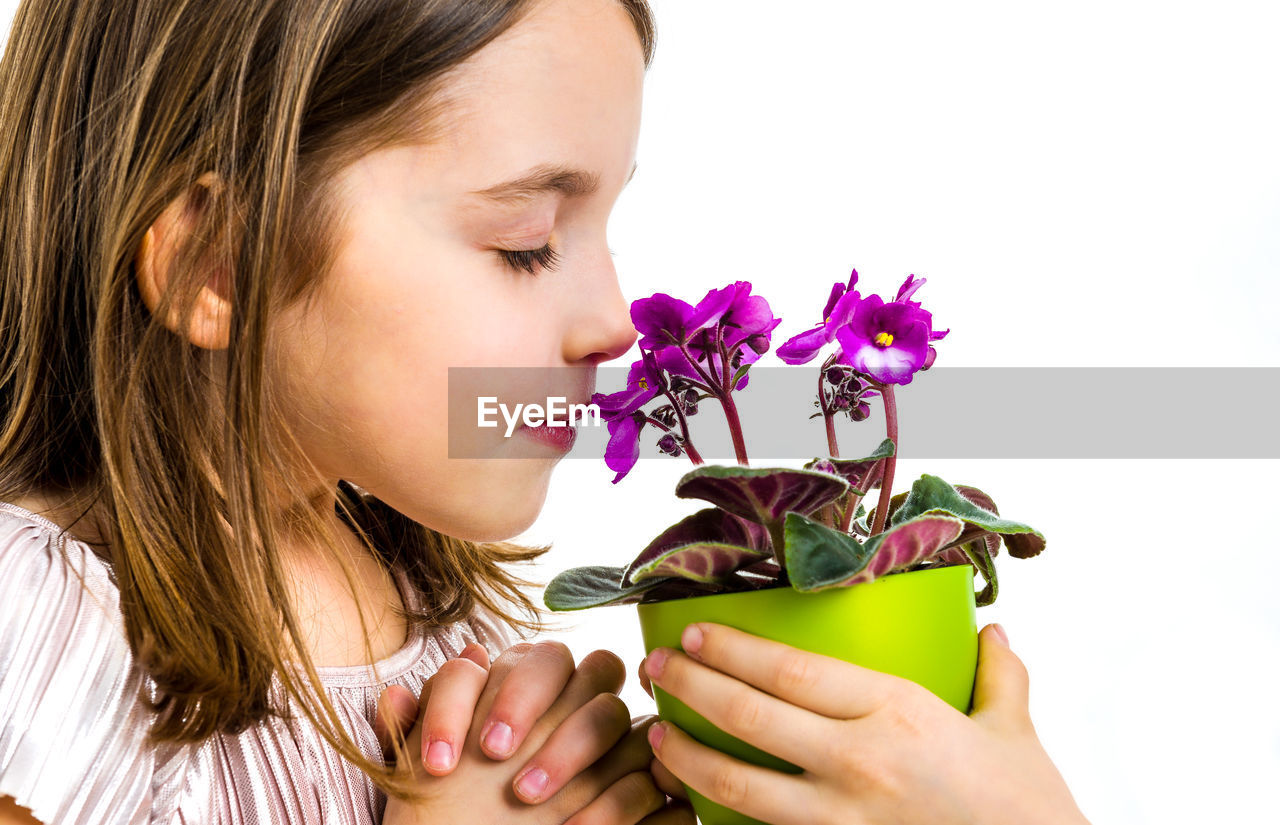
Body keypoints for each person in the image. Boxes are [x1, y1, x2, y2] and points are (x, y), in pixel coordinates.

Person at [0, 0, 1089, 824]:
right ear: (215, 263)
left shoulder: (443, 619)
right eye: (525, 241)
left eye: (605, 223)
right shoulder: (32, 641)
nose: (613, 321)